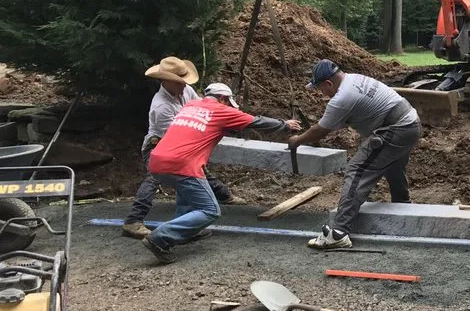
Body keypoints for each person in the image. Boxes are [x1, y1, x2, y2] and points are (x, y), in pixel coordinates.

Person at [142, 83, 301, 264]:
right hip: (182, 164)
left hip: (157, 159)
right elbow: (255, 122)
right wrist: (285, 125)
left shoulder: (191, 105)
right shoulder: (221, 110)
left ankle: (185, 231)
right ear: (223, 99)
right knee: (210, 210)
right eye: (228, 102)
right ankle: (160, 238)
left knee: (185, 189)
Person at [288, 59, 421, 250]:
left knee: (357, 169)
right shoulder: (354, 79)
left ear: (328, 83)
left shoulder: (342, 97)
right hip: (409, 122)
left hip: (397, 128)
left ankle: (339, 233)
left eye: (320, 89)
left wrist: (297, 140)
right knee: (391, 163)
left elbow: (321, 130)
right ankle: (403, 206)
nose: (321, 94)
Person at [122, 57, 245, 240]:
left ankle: (222, 195)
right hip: (160, 144)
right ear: (167, 81)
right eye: (180, 81)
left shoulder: (186, 90)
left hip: (178, 146)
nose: (184, 85)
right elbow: (176, 135)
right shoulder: (161, 106)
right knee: (155, 177)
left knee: (196, 170)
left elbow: (202, 109)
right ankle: (133, 220)